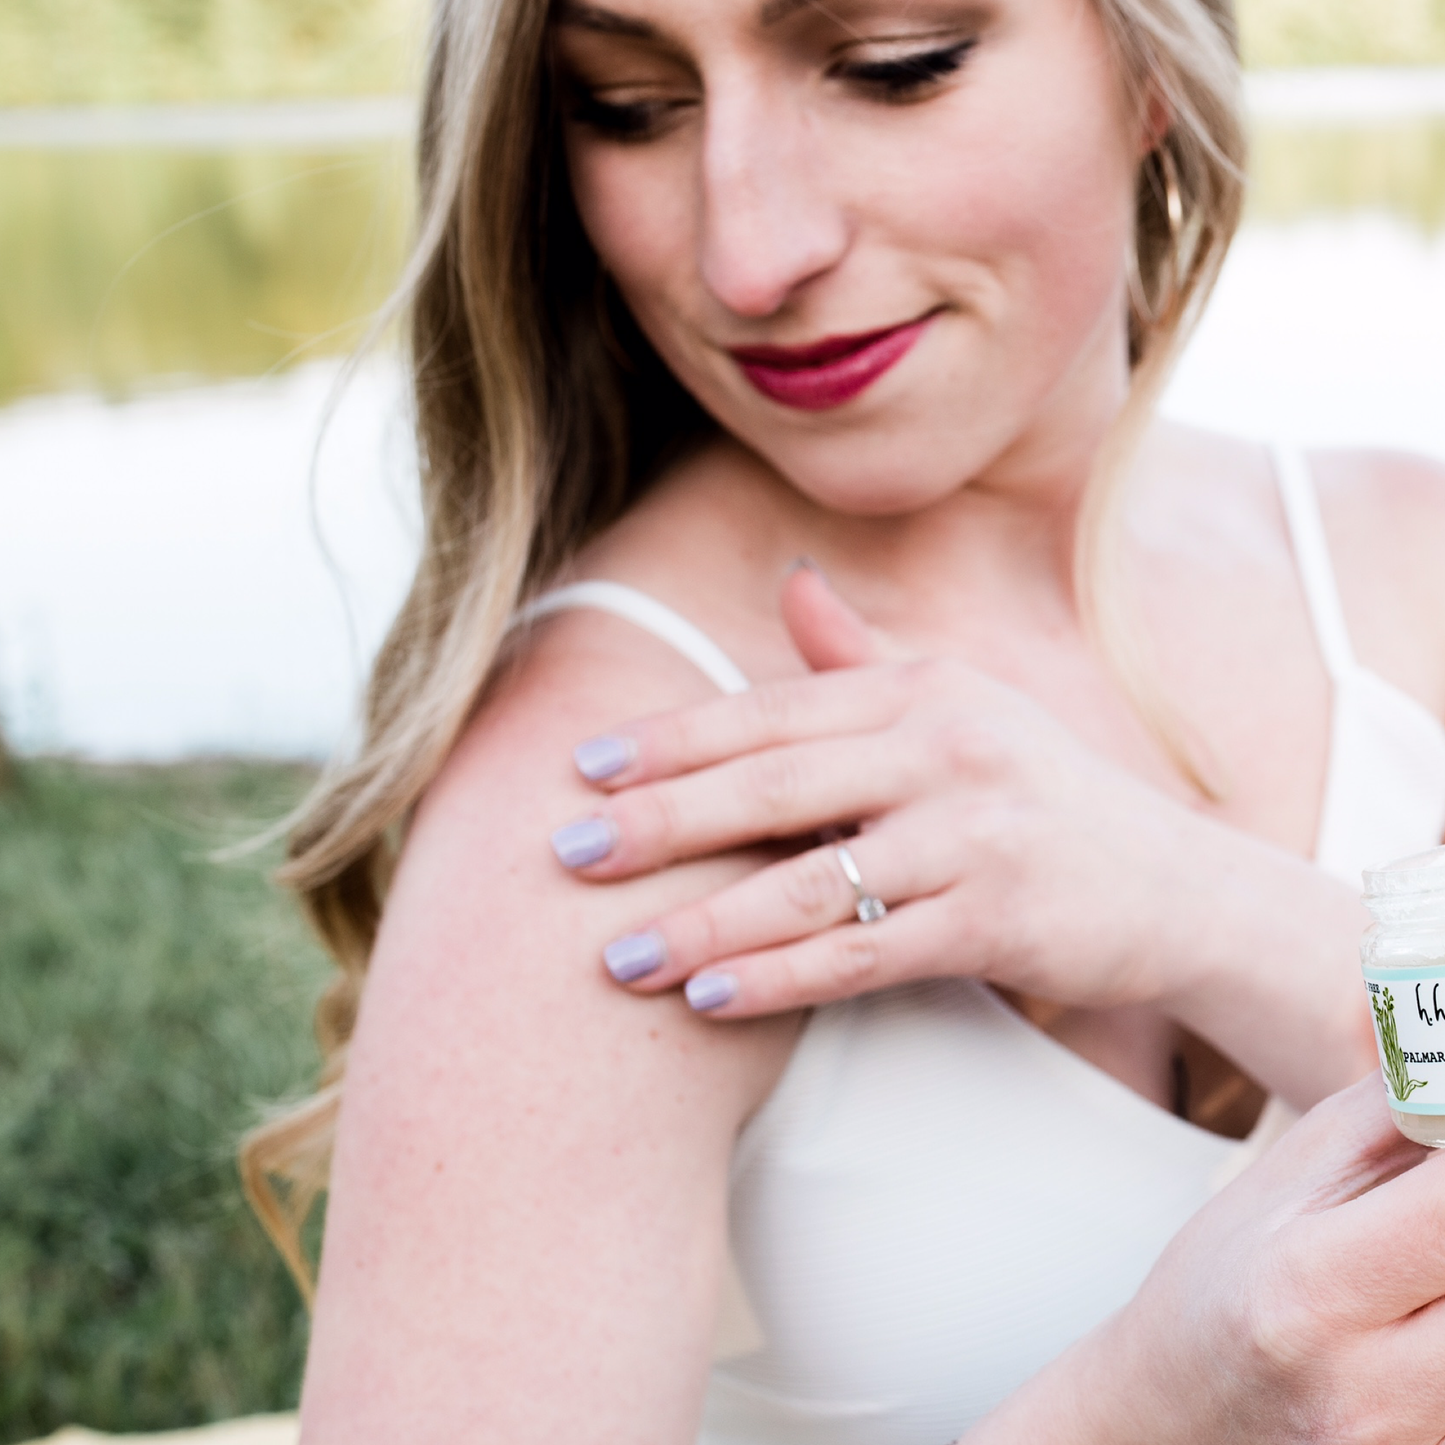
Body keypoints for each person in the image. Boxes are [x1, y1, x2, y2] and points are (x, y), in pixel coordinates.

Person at [237, 0, 1445, 1436]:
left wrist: (1197, 909)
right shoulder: (616, 799)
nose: (748, 257)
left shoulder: (1405, 556)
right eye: (627, 105)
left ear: (1149, 68)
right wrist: (1144, 1412)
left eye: (895, 66)